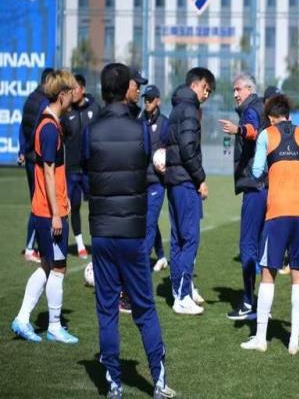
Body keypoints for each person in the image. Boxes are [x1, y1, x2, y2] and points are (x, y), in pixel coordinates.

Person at [82, 63, 175, 399]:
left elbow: (86, 173)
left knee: (107, 311)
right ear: (125, 90)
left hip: (103, 232)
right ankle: (159, 382)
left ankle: (114, 385)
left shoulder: (91, 130)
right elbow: (143, 168)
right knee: (144, 308)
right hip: (133, 233)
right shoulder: (140, 130)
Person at [240, 93, 299, 355]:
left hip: (277, 212)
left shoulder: (267, 135)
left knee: (268, 273)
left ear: (271, 117)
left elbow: (256, 172)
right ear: (287, 114)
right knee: (298, 275)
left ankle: (261, 339)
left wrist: (275, 179)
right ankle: (294, 341)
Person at [11, 70, 79, 344]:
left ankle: (22, 319)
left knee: (48, 266)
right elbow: (48, 173)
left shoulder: (50, 123)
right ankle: (54, 326)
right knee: (58, 268)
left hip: (49, 208)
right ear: (62, 95)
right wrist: (56, 214)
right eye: (71, 91)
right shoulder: (49, 128)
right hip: (50, 212)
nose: (75, 95)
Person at [164, 67, 214, 315]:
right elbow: (187, 147)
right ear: (195, 85)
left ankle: (178, 293)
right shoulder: (190, 109)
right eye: (206, 88)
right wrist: (200, 178)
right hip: (185, 181)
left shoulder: (175, 108)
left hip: (174, 181)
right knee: (190, 239)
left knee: (177, 239)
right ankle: (183, 296)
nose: (207, 94)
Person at [219, 73, 267, 321]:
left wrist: (238, 130)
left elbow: (252, 130)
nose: (235, 94)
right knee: (263, 247)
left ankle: (249, 302)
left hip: (255, 187)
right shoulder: (261, 107)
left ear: (250, 89)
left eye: (238, 89)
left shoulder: (251, 109)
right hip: (268, 186)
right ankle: (263, 303)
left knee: (247, 245)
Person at [60, 74, 100, 259]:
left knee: (96, 206)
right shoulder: (66, 112)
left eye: (74, 88)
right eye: (70, 89)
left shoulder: (95, 109)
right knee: (72, 207)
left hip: (91, 170)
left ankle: (98, 242)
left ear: (82, 89)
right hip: (72, 169)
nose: (72, 92)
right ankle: (80, 244)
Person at [18, 67, 54, 263]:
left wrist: (22, 150)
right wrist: (30, 149)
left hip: (30, 157)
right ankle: (31, 248)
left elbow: (22, 127)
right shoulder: (43, 102)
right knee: (39, 203)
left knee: (38, 201)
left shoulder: (31, 98)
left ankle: (37, 246)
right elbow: (33, 131)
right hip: (36, 159)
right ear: (48, 82)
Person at [141, 85, 170, 272]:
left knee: (149, 222)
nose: (147, 102)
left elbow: (170, 148)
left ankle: (142, 264)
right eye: (145, 99)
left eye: (150, 99)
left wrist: (165, 161)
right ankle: (160, 256)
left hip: (157, 182)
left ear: (158, 101)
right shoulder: (139, 121)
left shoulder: (165, 123)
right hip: (140, 181)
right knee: (147, 220)